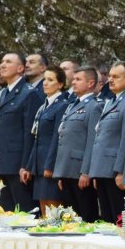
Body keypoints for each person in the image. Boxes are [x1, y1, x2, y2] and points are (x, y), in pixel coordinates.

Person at [87, 62, 125, 222]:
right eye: (110, 76)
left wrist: (121, 171)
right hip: (102, 169)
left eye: (116, 76)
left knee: (118, 218)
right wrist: (95, 171)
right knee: (106, 219)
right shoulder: (110, 101)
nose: (110, 80)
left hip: (114, 170)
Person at [48, 66, 102, 222]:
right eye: (73, 79)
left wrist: (86, 172)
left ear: (90, 83)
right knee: (70, 218)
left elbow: (92, 141)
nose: (73, 82)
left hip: (80, 171)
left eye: (78, 79)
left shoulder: (95, 106)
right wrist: (61, 172)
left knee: (85, 216)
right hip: (67, 170)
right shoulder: (72, 105)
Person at [0, 53, 43, 211]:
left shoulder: (29, 93)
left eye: (8, 62)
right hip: (3, 161)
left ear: (20, 68)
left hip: (18, 164)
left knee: (24, 211)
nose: (2, 65)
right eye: (2, 62)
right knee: (6, 211)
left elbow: (30, 133)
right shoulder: (4, 93)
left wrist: (25, 165)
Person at [21, 66, 69, 213]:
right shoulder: (44, 106)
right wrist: (29, 166)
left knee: (53, 210)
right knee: (43, 209)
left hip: (50, 165)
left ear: (60, 84)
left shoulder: (62, 105)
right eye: (44, 80)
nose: (45, 83)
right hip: (39, 164)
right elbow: (37, 138)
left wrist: (50, 166)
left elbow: (57, 137)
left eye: (50, 80)